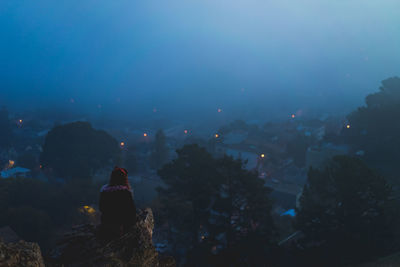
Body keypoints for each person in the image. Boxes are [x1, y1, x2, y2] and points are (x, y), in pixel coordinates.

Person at [98, 166, 136, 241]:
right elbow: (131, 211)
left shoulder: (104, 192)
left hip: (106, 223)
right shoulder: (125, 193)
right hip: (121, 226)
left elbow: (101, 207)